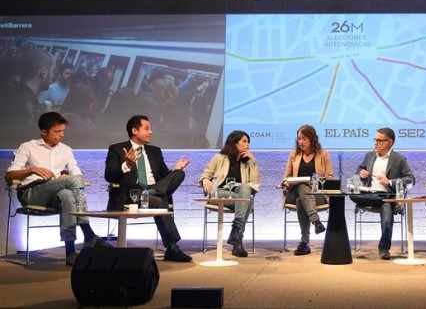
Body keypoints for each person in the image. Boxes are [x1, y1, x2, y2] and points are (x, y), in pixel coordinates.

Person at [5, 112, 112, 266]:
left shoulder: (66, 149)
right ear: (43, 132)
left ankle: (70, 252)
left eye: (63, 131)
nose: (61, 135)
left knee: (67, 195)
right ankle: (88, 234)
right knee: (70, 183)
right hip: (31, 193)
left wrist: (68, 179)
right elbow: (9, 176)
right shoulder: (28, 147)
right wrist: (32, 170)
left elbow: (77, 174)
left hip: (55, 194)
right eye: (57, 132)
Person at [104, 115, 193, 262]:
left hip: (152, 193)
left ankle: (152, 193)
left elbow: (165, 177)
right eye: (147, 128)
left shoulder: (155, 151)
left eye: (151, 129)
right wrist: (127, 165)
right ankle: (171, 247)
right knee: (161, 198)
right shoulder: (117, 149)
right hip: (132, 196)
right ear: (134, 130)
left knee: (179, 174)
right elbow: (109, 176)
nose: (151, 132)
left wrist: (175, 170)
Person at [349, 127, 415, 260]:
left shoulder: (399, 159)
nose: (375, 143)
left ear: (389, 142)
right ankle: (386, 199)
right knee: (352, 194)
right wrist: (361, 173)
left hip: (387, 193)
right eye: (375, 140)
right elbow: (359, 170)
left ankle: (384, 248)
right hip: (370, 194)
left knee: (386, 213)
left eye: (379, 140)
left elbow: (411, 179)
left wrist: (389, 182)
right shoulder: (370, 155)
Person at [199, 130, 261, 257]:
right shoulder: (219, 158)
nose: (247, 144)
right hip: (219, 193)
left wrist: (253, 161)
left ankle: (236, 235)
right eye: (244, 141)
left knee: (245, 189)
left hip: (237, 197)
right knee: (247, 200)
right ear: (234, 143)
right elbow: (205, 175)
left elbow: (254, 184)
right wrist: (205, 180)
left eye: (248, 142)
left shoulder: (247, 163)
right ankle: (237, 238)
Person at [282, 124, 334, 256]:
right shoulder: (294, 155)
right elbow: (286, 177)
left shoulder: (323, 155)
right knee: (302, 186)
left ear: (312, 139)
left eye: (304, 138)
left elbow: (330, 177)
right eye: (299, 138)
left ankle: (304, 242)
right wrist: (288, 182)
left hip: (316, 194)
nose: (301, 142)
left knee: (302, 199)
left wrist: (316, 184)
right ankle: (316, 220)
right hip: (293, 192)